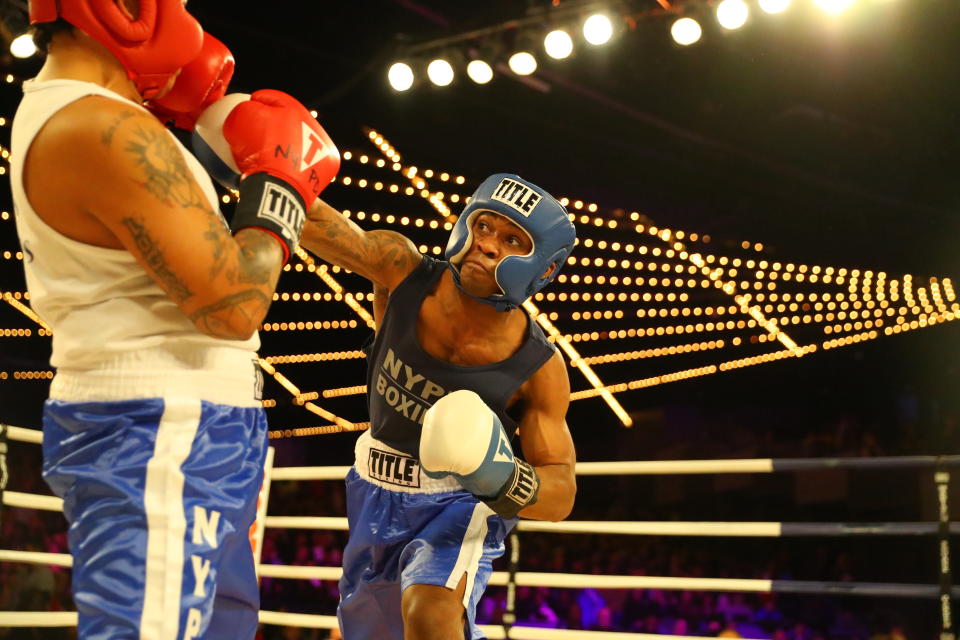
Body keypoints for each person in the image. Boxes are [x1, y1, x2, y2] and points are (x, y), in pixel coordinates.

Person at [10, 1, 339, 637]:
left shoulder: (109, 116)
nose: (182, 8)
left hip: (188, 422)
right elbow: (235, 303)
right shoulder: (99, 126)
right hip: (160, 426)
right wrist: (280, 188)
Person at [299, 173, 578, 639]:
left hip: (460, 503)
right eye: (484, 226)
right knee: (374, 631)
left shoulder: (537, 366)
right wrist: (266, 170)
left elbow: (561, 489)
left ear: (543, 270)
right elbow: (323, 229)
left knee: (430, 614)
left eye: (512, 240)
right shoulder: (403, 270)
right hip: (373, 487)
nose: (488, 246)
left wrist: (502, 479)